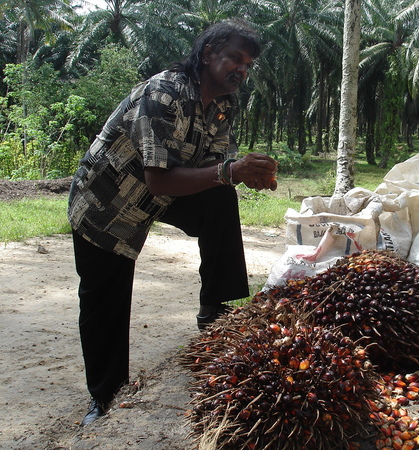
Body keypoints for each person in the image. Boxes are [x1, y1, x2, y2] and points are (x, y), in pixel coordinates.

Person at [68, 18, 278, 427]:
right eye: (235, 58)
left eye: (248, 64)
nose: (242, 70)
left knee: (220, 197)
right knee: (104, 302)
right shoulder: (165, 93)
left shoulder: (223, 103)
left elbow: (215, 165)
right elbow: (157, 176)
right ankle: (105, 398)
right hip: (107, 205)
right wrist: (231, 171)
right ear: (207, 55)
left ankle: (214, 308)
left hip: (161, 197)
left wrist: (244, 172)